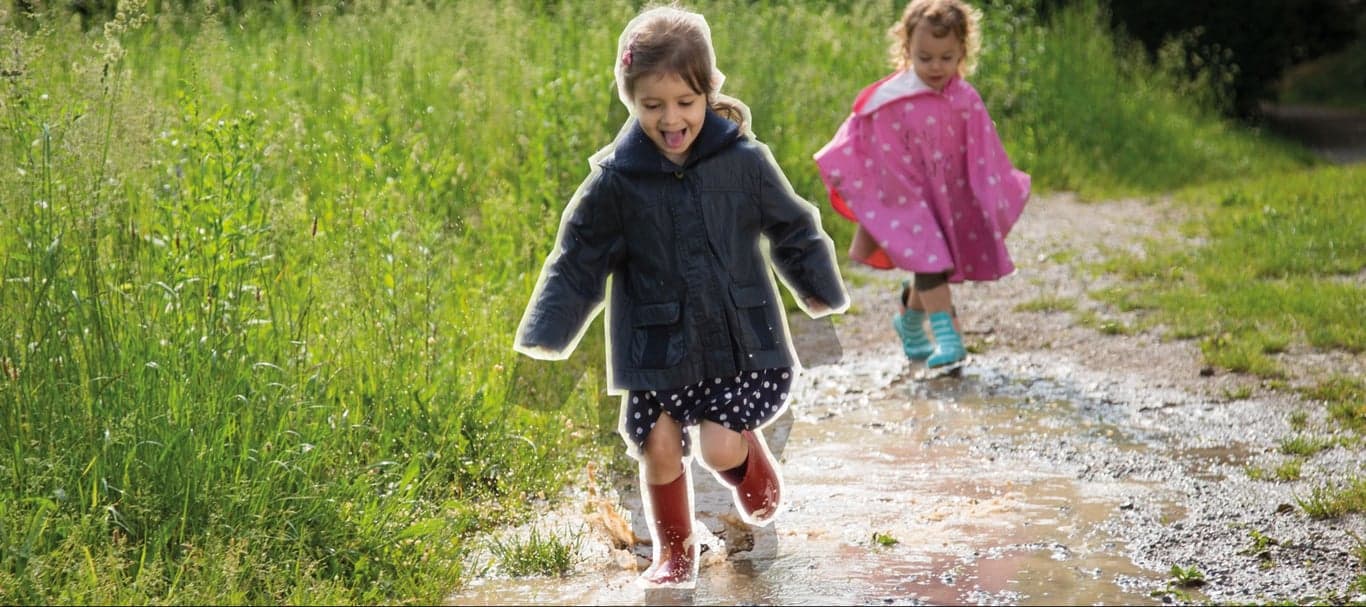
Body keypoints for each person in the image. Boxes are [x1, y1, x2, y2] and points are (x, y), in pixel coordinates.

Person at [514, 3, 848, 588]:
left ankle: (747, 460)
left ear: (707, 92)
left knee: (717, 449)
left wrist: (816, 287)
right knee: (660, 447)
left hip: (735, 338)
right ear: (630, 100)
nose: (671, 119)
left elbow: (791, 225)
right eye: (652, 105)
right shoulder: (616, 181)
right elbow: (579, 256)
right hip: (655, 340)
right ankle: (675, 552)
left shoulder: (742, 162)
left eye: (684, 103)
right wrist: (549, 328)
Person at [814, 0, 1030, 370]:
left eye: (947, 57)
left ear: (963, 51)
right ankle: (949, 338)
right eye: (925, 57)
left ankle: (910, 324)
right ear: (906, 48)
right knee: (929, 260)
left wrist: (989, 194)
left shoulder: (965, 98)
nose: (935, 66)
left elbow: (981, 151)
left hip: (951, 199)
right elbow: (866, 142)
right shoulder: (890, 99)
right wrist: (892, 196)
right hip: (906, 199)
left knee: (936, 264)